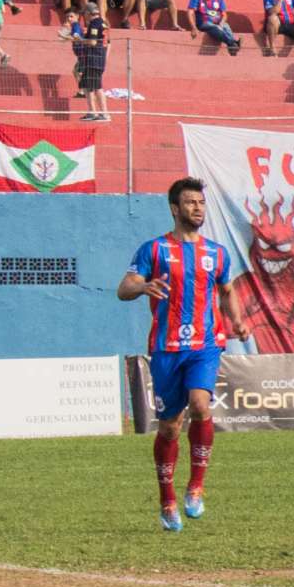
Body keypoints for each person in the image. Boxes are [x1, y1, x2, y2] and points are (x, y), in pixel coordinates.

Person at [117, 177, 249, 532]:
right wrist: (144, 285)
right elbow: (124, 288)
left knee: (201, 405)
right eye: (190, 203)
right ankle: (167, 499)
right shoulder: (154, 250)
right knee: (171, 428)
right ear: (175, 209)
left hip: (205, 344)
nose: (198, 208)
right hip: (166, 348)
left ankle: (196, 486)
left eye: (201, 203)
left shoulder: (217, 253)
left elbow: (227, 290)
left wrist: (236, 319)